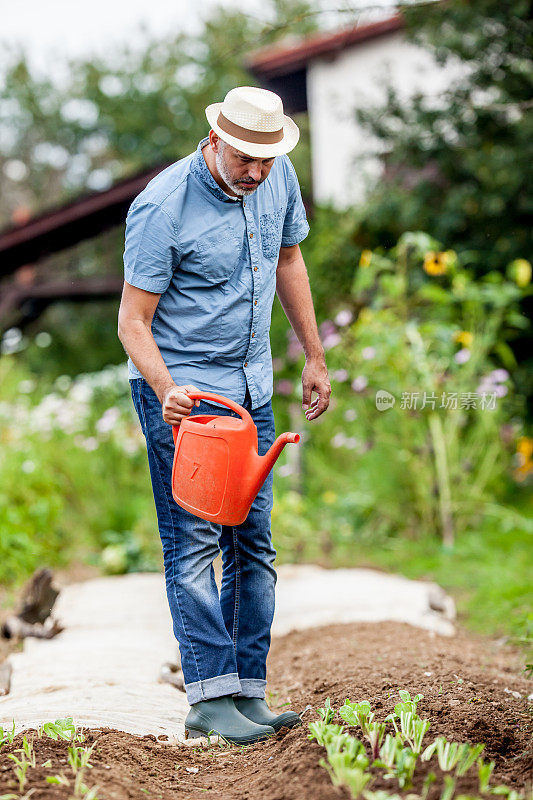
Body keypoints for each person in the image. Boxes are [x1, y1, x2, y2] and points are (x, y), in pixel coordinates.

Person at [118, 86, 331, 745]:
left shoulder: (277, 174)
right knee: (194, 546)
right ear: (214, 140)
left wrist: (314, 358)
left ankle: (246, 692)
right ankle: (207, 701)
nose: (257, 173)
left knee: (253, 544)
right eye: (245, 159)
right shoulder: (162, 206)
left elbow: (289, 259)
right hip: (190, 403)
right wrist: (164, 388)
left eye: (267, 161)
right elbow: (132, 322)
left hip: (253, 389)